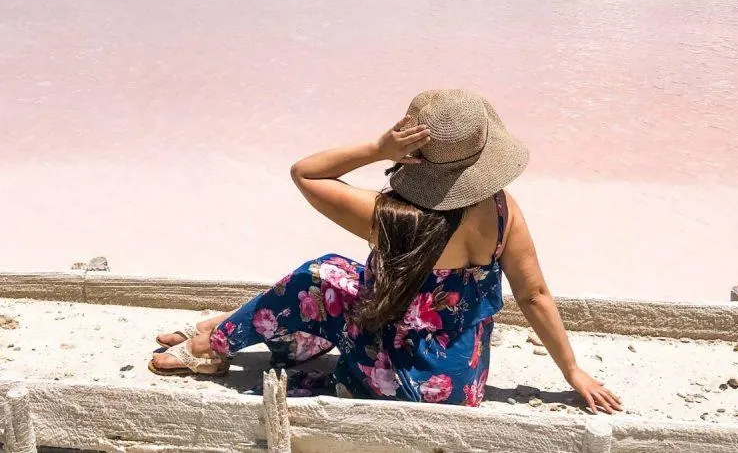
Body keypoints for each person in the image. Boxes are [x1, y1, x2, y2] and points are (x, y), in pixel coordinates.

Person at [149, 89, 622, 414]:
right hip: (459, 383)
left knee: (320, 274)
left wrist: (378, 146)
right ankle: (220, 327)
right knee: (343, 276)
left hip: (390, 378)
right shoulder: (503, 211)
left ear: (414, 151)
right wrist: (573, 371)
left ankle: (212, 344)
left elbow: (305, 172)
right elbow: (535, 294)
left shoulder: (386, 216)